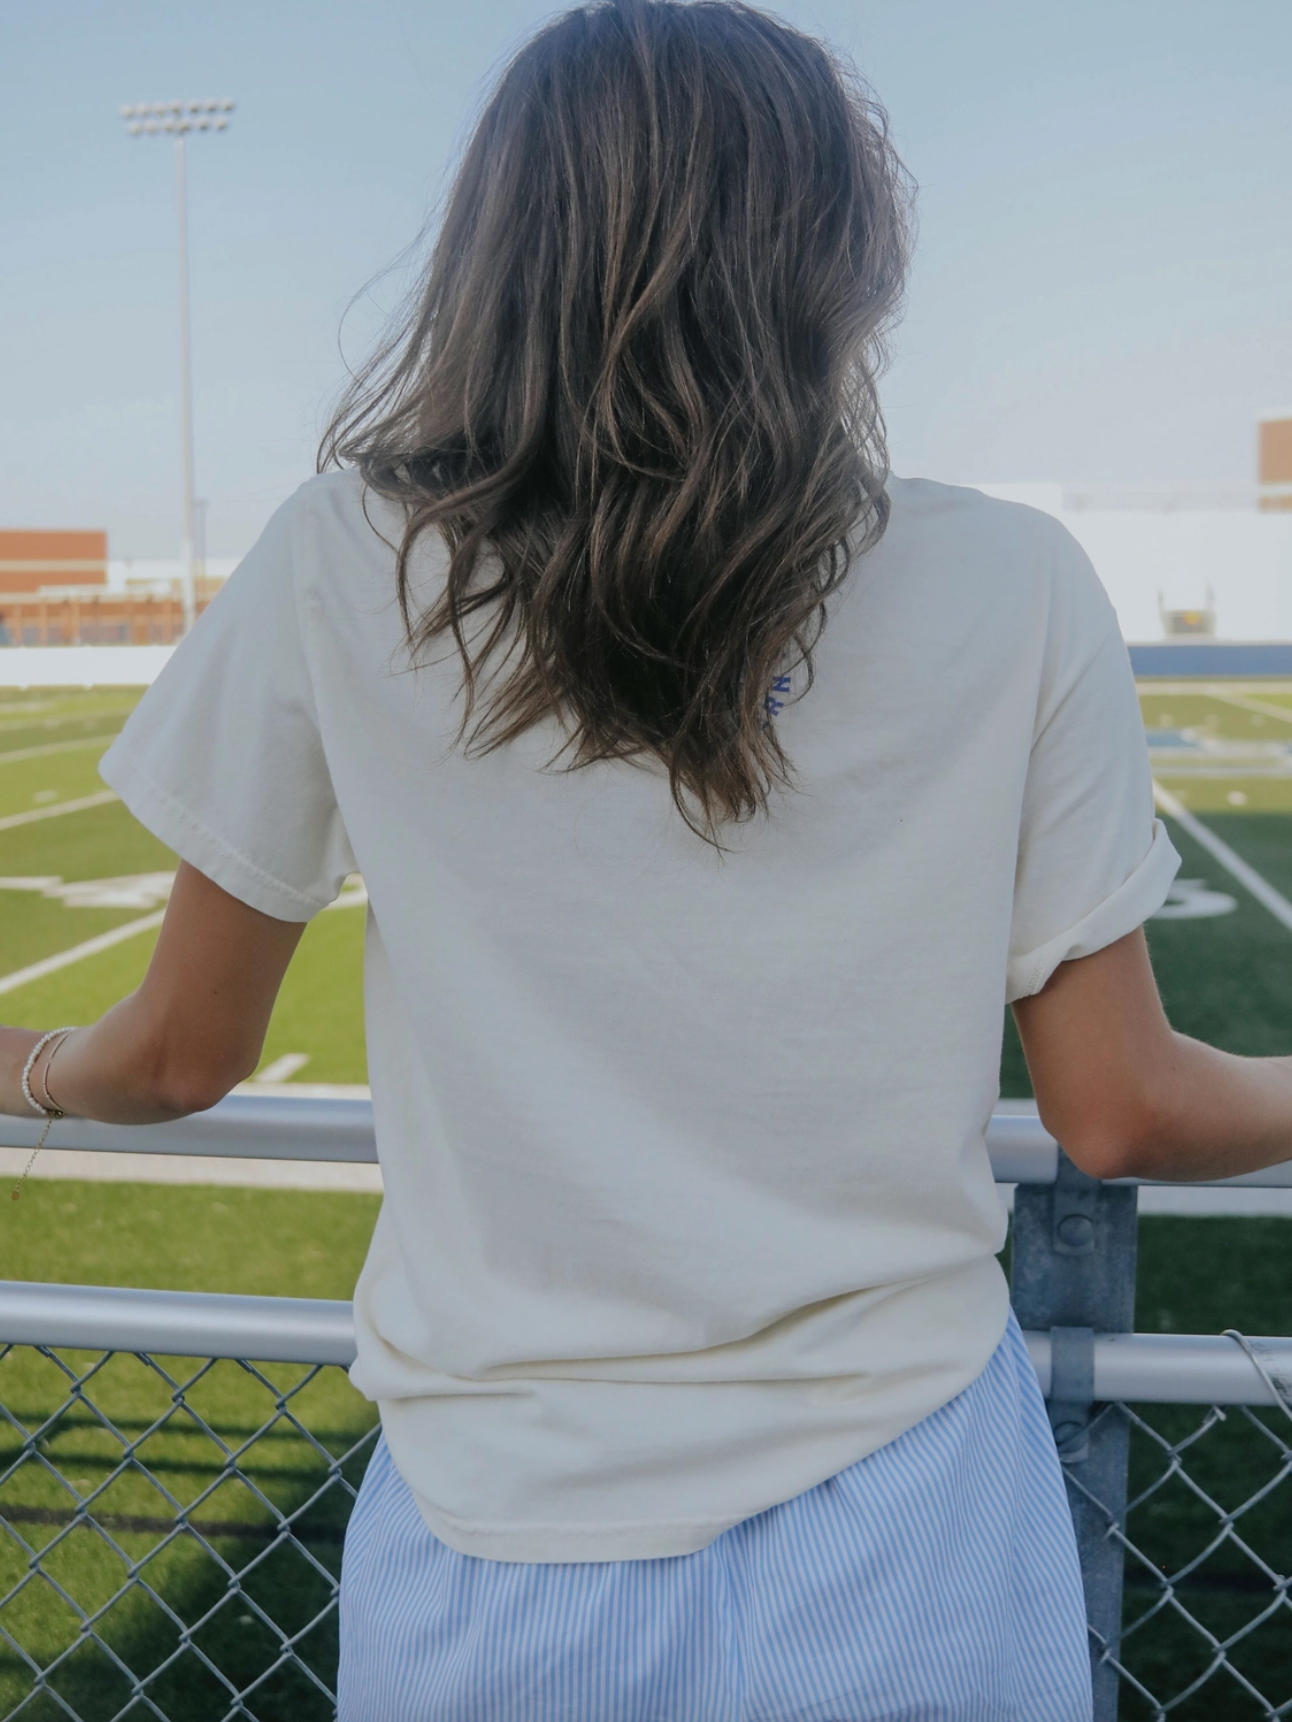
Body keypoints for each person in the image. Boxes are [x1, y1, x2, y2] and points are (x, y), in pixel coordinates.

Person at [5, 2, 1292, 1717]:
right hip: (914, 1529)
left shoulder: (343, 558)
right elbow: (1119, 1109)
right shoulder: (1019, 580)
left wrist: (28, 1065)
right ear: (844, 251)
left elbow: (176, 1053)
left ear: (498, 249)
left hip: (499, 1547)